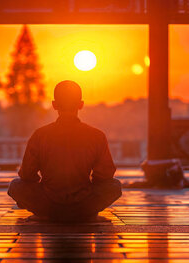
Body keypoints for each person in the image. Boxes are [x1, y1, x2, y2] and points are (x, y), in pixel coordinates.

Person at [8, 80, 122, 222]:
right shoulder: (96, 135)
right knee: (115, 186)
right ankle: (86, 214)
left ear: (54, 105)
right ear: (81, 104)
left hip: (48, 204)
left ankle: (47, 213)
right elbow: (105, 175)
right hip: (84, 205)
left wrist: (44, 188)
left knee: (15, 185)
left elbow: (26, 175)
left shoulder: (40, 135)